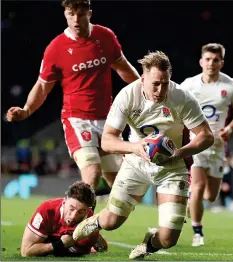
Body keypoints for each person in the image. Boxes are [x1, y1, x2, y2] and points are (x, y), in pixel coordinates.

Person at [71, 51, 214, 259]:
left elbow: (206, 136)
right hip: (136, 163)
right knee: (112, 222)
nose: (160, 89)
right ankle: (94, 222)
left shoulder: (181, 97)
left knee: (167, 239)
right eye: (155, 83)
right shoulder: (128, 95)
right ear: (143, 78)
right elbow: (108, 140)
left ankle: (149, 243)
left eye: (165, 83)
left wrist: (179, 153)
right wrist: (136, 147)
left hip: (172, 168)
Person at [6, 0, 140, 192]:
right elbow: (43, 86)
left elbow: (123, 68)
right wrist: (26, 109)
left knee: (121, 185)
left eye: (80, 14)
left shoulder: (105, 36)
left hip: (107, 120)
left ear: (90, 14)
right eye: (71, 14)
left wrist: (145, 92)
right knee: (92, 173)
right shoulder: (56, 48)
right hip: (77, 120)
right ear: (65, 15)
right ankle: (73, 221)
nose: (76, 19)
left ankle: (100, 221)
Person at [180, 43, 233, 247]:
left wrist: (230, 129)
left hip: (218, 147)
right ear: (201, 61)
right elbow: (174, 108)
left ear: (221, 63)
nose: (211, 63)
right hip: (197, 142)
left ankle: (192, 200)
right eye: (208, 59)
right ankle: (198, 232)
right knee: (198, 187)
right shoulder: (189, 85)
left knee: (210, 196)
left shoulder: (231, 86)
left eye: (216, 60)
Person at [21, 181, 108, 257]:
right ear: (64, 201)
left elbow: (71, 254)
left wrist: (62, 245)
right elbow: (26, 252)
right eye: (71, 209)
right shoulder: (47, 210)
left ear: (87, 211)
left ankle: (96, 242)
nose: (73, 216)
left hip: (76, 240)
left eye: (81, 211)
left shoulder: (88, 226)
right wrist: (59, 244)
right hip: (56, 237)